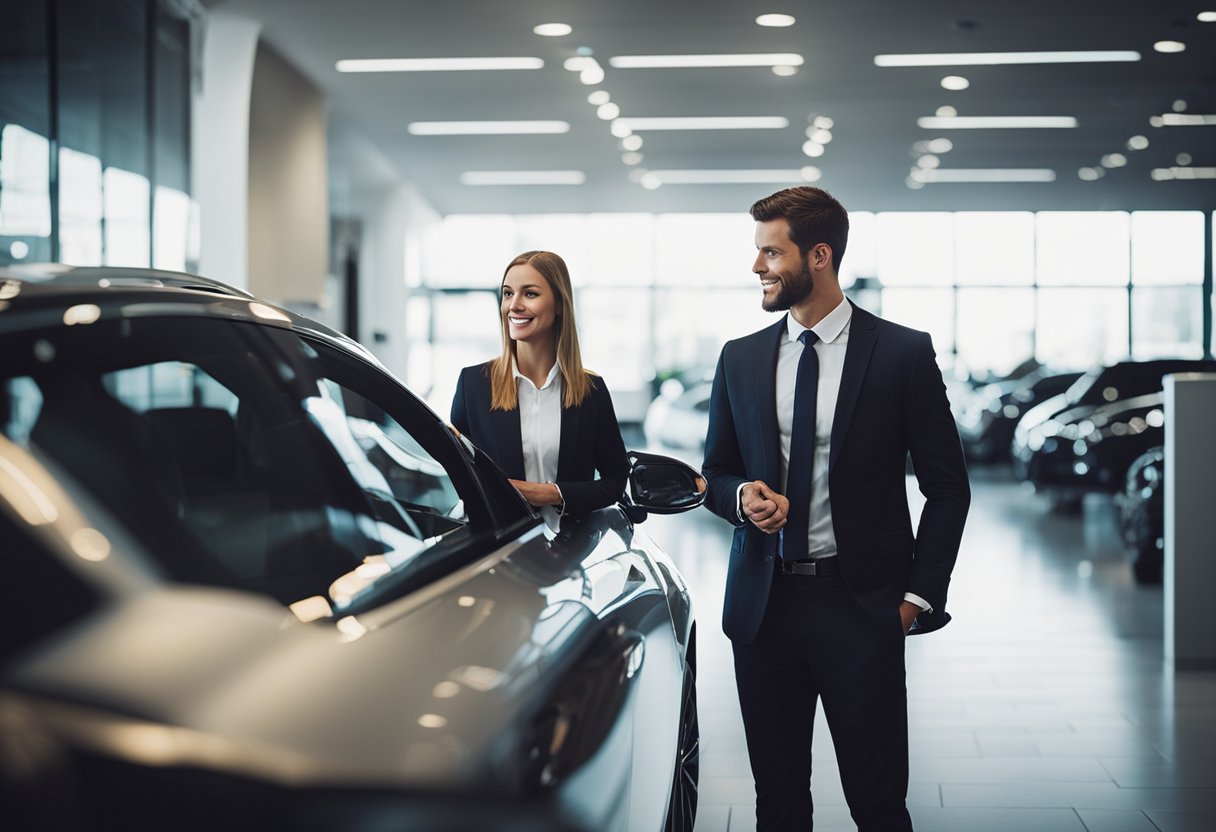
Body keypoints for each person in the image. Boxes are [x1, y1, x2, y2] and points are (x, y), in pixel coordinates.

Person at [701, 187, 970, 831]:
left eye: (772, 252)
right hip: (763, 611)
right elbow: (714, 473)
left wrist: (917, 598)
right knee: (779, 802)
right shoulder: (740, 357)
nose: (758, 267)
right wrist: (741, 498)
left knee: (878, 805)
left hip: (863, 608)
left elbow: (948, 485)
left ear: (818, 256)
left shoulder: (902, 353)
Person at [451, 250, 629, 528]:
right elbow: (459, 476)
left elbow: (616, 482)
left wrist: (551, 494)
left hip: (571, 552)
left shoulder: (590, 391)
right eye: (508, 294)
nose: (514, 305)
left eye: (530, 294)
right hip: (498, 551)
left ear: (559, 304)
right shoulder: (473, 385)